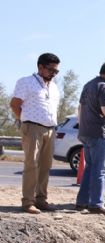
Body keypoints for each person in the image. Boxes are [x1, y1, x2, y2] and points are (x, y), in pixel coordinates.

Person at [10, 53, 61, 214]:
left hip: (50, 129)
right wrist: (25, 120)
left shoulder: (53, 86)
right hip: (32, 128)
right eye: (51, 70)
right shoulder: (26, 82)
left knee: (45, 166)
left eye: (56, 71)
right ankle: (28, 202)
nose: (54, 73)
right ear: (40, 67)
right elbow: (15, 104)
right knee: (31, 164)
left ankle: (41, 199)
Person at [75, 61, 105, 214]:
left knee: (90, 168)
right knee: (99, 170)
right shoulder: (103, 87)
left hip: (86, 132)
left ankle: (82, 201)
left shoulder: (88, 84)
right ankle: (96, 203)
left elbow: (80, 108)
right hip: (99, 133)